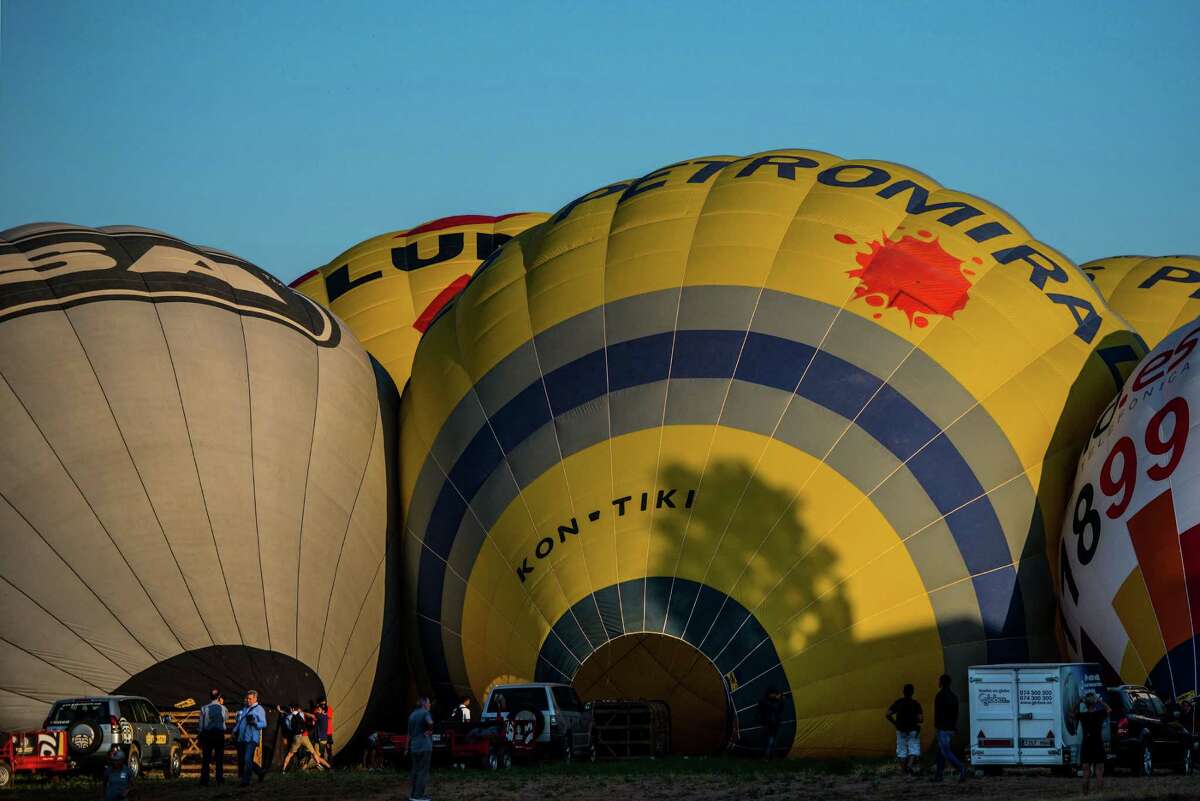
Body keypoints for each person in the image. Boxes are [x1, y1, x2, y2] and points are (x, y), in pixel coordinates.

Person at [1073, 691, 1109, 796]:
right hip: (1098, 744)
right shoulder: (1100, 714)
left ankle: (1085, 795)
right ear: (1095, 703)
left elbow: (1070, 713)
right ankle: (1099, 795)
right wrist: (1100, 701)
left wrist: (1078, 702)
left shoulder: (1082, 716)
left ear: (1085, 704)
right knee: (1099, 772)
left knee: (1086, 773)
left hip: (1086, 745)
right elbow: (1109, 709)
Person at [931, 674, 966, 782]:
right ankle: (938, 775)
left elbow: (938, 713)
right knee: (940, 753)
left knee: (945, 751)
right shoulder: (954, 696)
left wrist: (937, 726)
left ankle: (961, 768)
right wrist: (954, 726)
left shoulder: (939, 696)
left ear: (941, 683)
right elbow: (956, 714)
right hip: (950, 728)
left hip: (943, 728)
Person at [886, 683, 924, 776]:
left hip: (901, 729)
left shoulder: (898, 702)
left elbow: (888, 714)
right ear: (912, 692)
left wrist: (895, 723)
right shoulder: (916, 704)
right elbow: (920, 719)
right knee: (914, 750)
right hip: (913, 730)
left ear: (903, 692)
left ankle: (904, 772)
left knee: (901, 751)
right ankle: (910, 766)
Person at [232, 690, 268, 785]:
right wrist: (234, 730)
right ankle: (260, 772)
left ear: (255, 698)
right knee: (244, 760)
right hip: (241, 737)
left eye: (250, 699)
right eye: (247, 698)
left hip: (251, 738)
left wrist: (255, 723)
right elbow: (240, 722)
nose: (248, 700)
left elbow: (264, 724)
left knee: (247, 759)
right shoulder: (245, 708)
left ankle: (245, 781)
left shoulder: (259, 709)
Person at [281, 703, 331, 772]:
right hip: (307, 737)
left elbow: (289, 727)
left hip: (300, 738)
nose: (317, 710)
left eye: (319, 709)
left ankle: (283, 770)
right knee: (313, 753)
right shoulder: (324, 716)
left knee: (290, 754)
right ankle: (318, 765)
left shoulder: (289, 717)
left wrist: (285, 713)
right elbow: (308, 721)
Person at [198, 688, 228, 786]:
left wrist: (200, 733)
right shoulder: (223, 708)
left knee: (206, 758)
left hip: (208, 734)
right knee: (219, 757)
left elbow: (201, 724)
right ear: (219, 697)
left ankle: (204, 780)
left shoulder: (204, 708)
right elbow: (225, 719)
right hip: (219, 734)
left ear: (210, 696)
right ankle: (219, 779)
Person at [407, 697, 434, 801]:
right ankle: (419, 795)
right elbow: (430, 722)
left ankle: (413, 794)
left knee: (415, 770)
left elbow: (409, 733)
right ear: (424, 704)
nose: (430, 705)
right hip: (424, 746)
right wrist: (430, 730)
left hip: (414, 746)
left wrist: (406, 748)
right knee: (423, 772)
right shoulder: (425, 713)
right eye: (429, 703)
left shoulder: (412, 715)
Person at [757, 687, 784, 758]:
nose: (775, 695)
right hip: (769, 724)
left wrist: (780, 700)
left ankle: (771, 756)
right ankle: (767, 756)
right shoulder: (766, 702)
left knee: (773, 741)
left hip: (774, 724)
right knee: (770, 741)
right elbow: (772, 707)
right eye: (774, 694)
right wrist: (778, 699)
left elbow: (779, 709)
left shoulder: (771, 702)